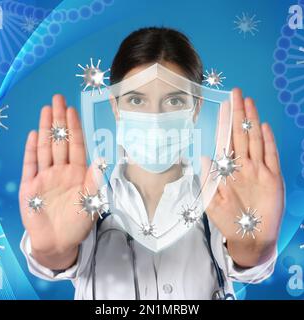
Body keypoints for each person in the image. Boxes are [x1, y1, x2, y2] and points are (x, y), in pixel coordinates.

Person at [19, 27, 284, 299]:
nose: (155, 118)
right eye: (136, 99)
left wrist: (255, 245)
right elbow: (57, 258)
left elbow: (249, 261)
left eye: (174, 100)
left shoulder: (220, 202)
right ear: (114, 106)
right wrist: (52, 249)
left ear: (196, 108)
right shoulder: (86, 204)